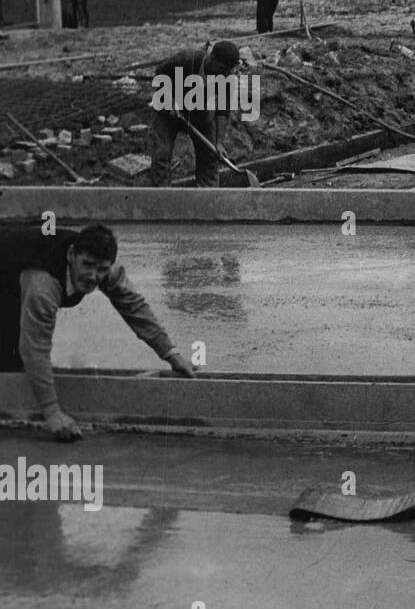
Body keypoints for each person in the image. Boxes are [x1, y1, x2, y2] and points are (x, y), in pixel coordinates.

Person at [0, 223, 195, 441]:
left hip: (12, 276)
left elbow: (133, 306)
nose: (93, 276)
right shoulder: (42, 285)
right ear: (71, 255)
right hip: (9, 269)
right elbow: (35, 346)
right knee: (11, 358)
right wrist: (52, 413)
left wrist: (170, 353)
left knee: (12, 360)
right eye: (87, 265)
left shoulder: (106, 268)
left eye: (101, 269)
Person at [147, 40, 242, 188]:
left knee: (210, 157)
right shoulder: (186, 60)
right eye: (222, 68)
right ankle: (162, 197)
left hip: (199, 112)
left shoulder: (226, 78)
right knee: (161, 154)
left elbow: (223, 112)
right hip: (167, 112)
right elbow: (159, 74)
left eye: (228, 71)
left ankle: (207, 200)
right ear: (212, 58)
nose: (224, 74)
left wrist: (219, 143)